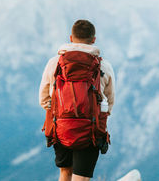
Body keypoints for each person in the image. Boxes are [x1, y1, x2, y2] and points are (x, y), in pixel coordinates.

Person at [39, 19, 115, 181]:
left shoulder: (55, 63)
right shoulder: (103, 66)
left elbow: (44, 98)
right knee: (81, 178)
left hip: (61, 126)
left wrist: (60, 112)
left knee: (65, 173)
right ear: (93, 39)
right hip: (90, 129)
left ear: (71, 38)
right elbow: (109, 101)